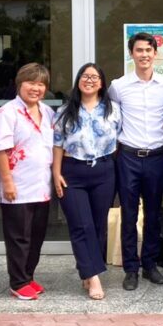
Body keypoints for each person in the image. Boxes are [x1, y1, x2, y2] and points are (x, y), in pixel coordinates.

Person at [110, 32, 163, 291]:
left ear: (155, 53)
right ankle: (130, 268)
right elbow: (113, 120)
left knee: (154, 213)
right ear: (131, 54)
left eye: (149, 50)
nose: (144, 55)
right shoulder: (118, 86)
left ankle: (149, 264)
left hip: (156, 157)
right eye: (139, 50)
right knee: (128, 213)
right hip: (128, 156)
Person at [53, 63, 120, 300]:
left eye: (94, 77)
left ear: (102, 83)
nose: (89, 80)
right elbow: (57, 144)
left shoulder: (112, 110)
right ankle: (93, 277)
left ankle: (87, 269)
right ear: (78, 80)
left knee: (98, 225)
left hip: (103, 171)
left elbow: (119, 141)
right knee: (82, 225)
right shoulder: (65, 110)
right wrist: (56, 173)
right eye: (85, 76)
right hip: (72, 172)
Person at [0, 63, 55, 301]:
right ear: (19, 84)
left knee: (36, 236)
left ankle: (28, 276)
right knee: (19, 237)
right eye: (31, 82)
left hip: (41, 185)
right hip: (16, 185)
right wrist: (7, 182)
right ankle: (18, 282)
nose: (35, 88)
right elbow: (0, 150)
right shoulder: (7, 112)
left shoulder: (47, 112)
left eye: (40, 84)